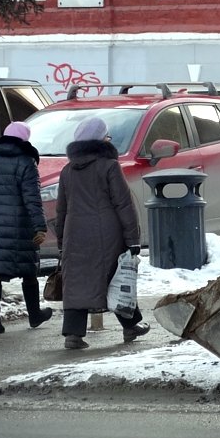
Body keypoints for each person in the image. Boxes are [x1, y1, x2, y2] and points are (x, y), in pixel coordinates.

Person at [55, 116, 149, 350]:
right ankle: (130, 326)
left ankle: (73, 335)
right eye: (107, 135)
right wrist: (132, 238)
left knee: (76, 282)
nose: (109, 139)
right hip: (106, 233)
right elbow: (123, 204)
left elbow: (61, 209)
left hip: (74, 234)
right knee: (115, 278)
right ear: (100, 139)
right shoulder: (109, 166)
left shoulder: (67, 170)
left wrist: (61, 240)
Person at [0, 121, 52, 335]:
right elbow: (32, 198)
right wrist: (40, 227)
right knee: (28, 272)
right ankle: (34, 315)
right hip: (21, 226)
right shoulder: (26, 162)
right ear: (24, 139)